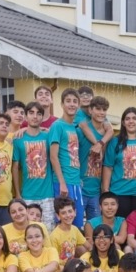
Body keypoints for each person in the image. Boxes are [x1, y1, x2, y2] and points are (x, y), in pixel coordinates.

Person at [12, 102, 56, 227]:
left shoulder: (48, 136)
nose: (35, 116)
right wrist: (18, 193)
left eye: (38, 113)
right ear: (26, 116)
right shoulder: (18, 139)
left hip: (48, 194)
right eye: (31, 113)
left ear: (42, 117)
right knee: (28, 230)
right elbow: (15, 168)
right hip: (27, 194)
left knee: (48, 230)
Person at [49, 88, 86, 227]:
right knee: (64, 224)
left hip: (76, 181)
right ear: (62, 104)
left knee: (77, 224)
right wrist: (62, 182)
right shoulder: (58, 126)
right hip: (63, 183)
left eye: (75, 101)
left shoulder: (74, 128)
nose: (72, 104)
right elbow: (53, 156)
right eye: (68, 101)